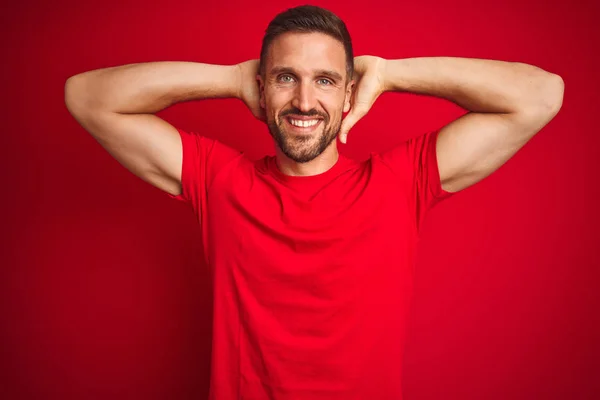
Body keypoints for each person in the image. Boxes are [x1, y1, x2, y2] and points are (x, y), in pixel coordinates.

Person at [64, 5, 564, 400]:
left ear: (349, 94)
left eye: (325, 80)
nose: (304, 100)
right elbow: (85, 96)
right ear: (262, 90)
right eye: (286, 78)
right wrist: (230, 79)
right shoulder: (219, 180)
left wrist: (389, 74)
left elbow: (541, 94)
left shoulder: (398, 183)